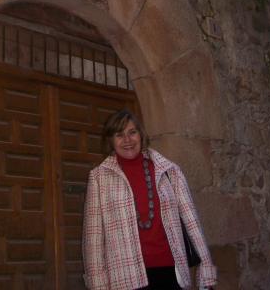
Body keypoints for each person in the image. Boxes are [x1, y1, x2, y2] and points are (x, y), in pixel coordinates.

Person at [82, 109, 217, 290]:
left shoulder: (169, 171)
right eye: (119, 135)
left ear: (141, 134)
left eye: (132, 132)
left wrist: (206, 271)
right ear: (111, 140)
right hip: (125, 278)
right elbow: (93, 238)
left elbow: (192, 222)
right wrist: (98, 285)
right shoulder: (99, 178)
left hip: (170, 272)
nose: (127, 140)